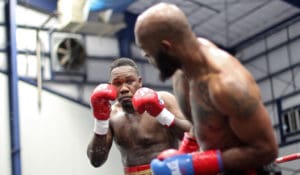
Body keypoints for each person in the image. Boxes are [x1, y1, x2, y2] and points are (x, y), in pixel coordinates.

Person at [134, 2, 279, 175]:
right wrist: (183, 155)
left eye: (148, 52)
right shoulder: (181, 70)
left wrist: (193, 164)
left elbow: (267, 149)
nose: (145, 56)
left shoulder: (226, 85)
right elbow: (201, 123)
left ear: (167, 47)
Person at [87, 57, 193, 175]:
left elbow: (192, 137)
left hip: (168, 171)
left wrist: (162, 114)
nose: (124, 89)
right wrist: (100, 121)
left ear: (139, 82)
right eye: (117, 83)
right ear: (110, 86)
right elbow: (96, 161)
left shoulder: (164, 100)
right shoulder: (111, 115)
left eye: (129, 81)